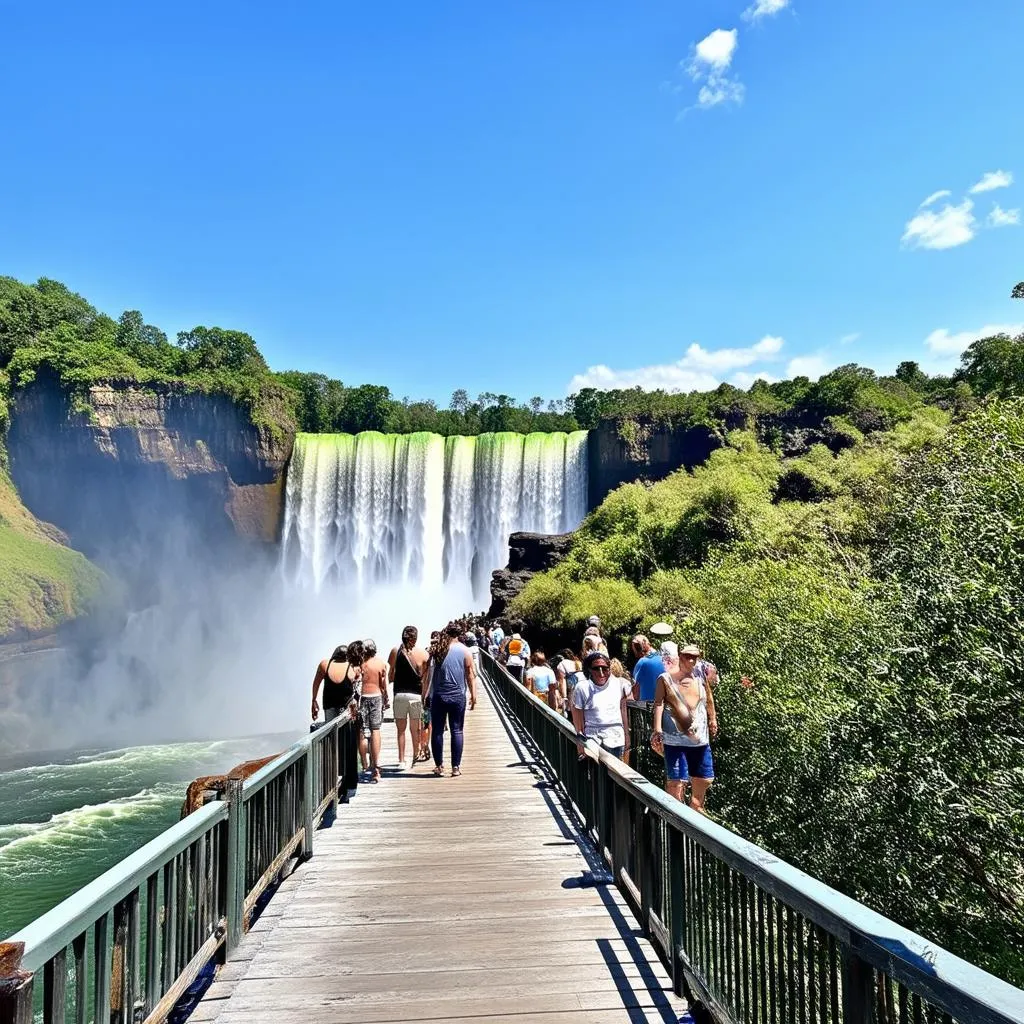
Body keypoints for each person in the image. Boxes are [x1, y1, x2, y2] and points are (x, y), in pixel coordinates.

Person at [650, 653, 718, 813]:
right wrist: (658, 730)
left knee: (702, 784)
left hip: (699, 742)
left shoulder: (700, 675)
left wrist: (713, 718)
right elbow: (658, 704)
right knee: (676, 784)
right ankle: (676, 825)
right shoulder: (666, 679)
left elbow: (708, 697)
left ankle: (695, 826)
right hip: (675, 740)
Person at [430, 623, 477, 777]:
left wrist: (425, 694)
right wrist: (473, 695)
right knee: (457, 730)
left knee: (437, 730)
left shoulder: (438, 649)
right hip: (458, 695)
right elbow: (470, 675)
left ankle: (439, 766)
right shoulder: (465, 650)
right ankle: (455, 767)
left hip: (439, 695)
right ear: (459, 634)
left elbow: (428, 674)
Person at [571, 650, 631, 759]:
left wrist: (627, 737)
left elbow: (623, 713)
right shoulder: (582, 688)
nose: (601, 673)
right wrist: (581, 748)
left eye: (604, 668)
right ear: (589, 670)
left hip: (616, 738)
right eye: (596, 669)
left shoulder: (619, 684)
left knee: (614, 773)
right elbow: (578, 721)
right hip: (592, 739)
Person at [388, 626, 429, 771]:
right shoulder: (423, 654)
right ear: (416, 638)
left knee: (400, 730)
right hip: (416, 695)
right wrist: (424, 696)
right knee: (415, 729)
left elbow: (391, 674)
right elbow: (425, 678)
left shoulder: (395, 651)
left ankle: (401, 759)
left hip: (399, 694)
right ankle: (415, 755)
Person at [358, 639, 389, 783]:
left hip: (363, 698)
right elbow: (383, 684)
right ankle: (376, 767)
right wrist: (386, 698)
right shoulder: (381, 664)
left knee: (363, 731)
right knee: (375, 729)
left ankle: (365, 764)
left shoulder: (361, 665)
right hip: (376, 696)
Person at [310, 644, 359, 723]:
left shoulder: (324, 665)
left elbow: (316, 684)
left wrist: (314, 701)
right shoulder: (353, 667)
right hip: (347, 706)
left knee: (332, 731)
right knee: (347, 731)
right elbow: (358, 689)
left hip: (329, 706)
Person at [631, 634, 666, 703]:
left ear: (637, 648)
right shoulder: (664, 659)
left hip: (648, 705)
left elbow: (636, 691)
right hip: (664, 703)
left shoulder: (642, 663)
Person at [555, 649, 583, 716]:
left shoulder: (562, 663)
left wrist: (564, 697)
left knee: (572, 710)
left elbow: (562, 681)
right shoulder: (579, 662)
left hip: (573, 686)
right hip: (582, 684)